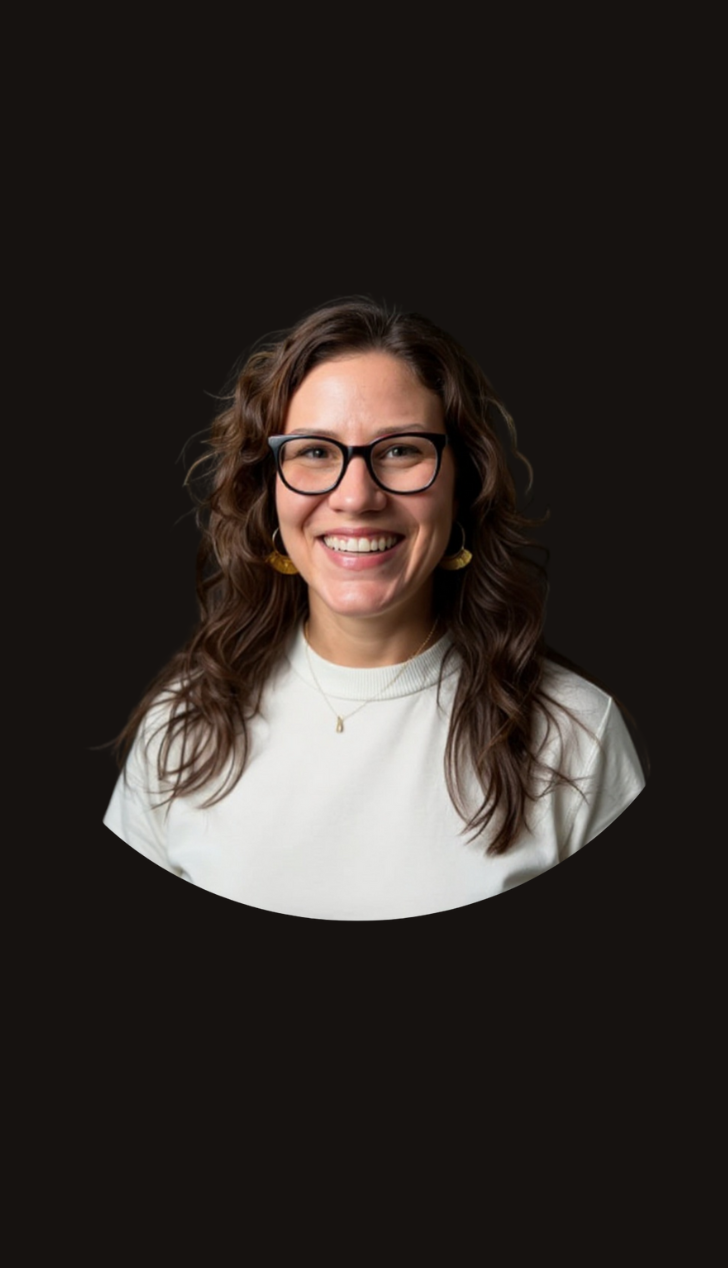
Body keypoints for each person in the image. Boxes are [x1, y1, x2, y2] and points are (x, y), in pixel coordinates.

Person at [103, 296, 646, 919]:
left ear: (461, 482)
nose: (356, 497)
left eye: (400, 450)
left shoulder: (575, 738)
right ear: (269, 487)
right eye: (314, 452)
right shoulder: (184, 728)